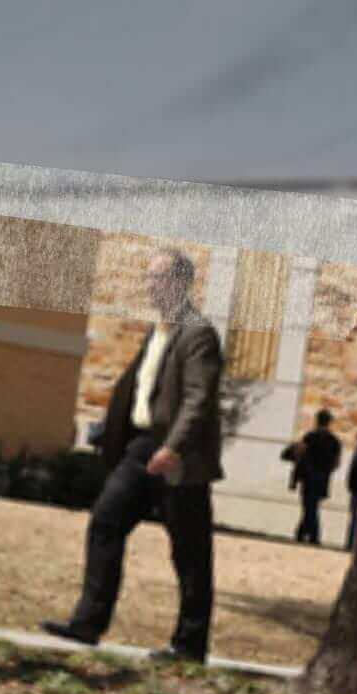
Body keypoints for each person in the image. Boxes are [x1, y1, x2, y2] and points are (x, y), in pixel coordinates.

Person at [42, 247, 222, 664]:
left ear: (179, 283)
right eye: (149, 276)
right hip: (142, 448)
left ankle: (190, 645)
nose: (150, 284)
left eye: (158, 277)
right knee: (106, 520)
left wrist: (172, 447)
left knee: (190, 551)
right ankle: (88, 623)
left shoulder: (197, 333)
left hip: (178, 455)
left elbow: (198, 398)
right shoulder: (156, 331)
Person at [284, 410, 343, 544]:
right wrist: (326, 470)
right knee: (312, 505)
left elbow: (300, 455)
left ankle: (313, 535)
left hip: (308, 476)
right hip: (323, 478)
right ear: (329, 422)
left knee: (309, 506)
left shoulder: (310, 436)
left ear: (317, 420)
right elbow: (337, 463)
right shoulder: (334, 441)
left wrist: (296, 477)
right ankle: (301, 533)